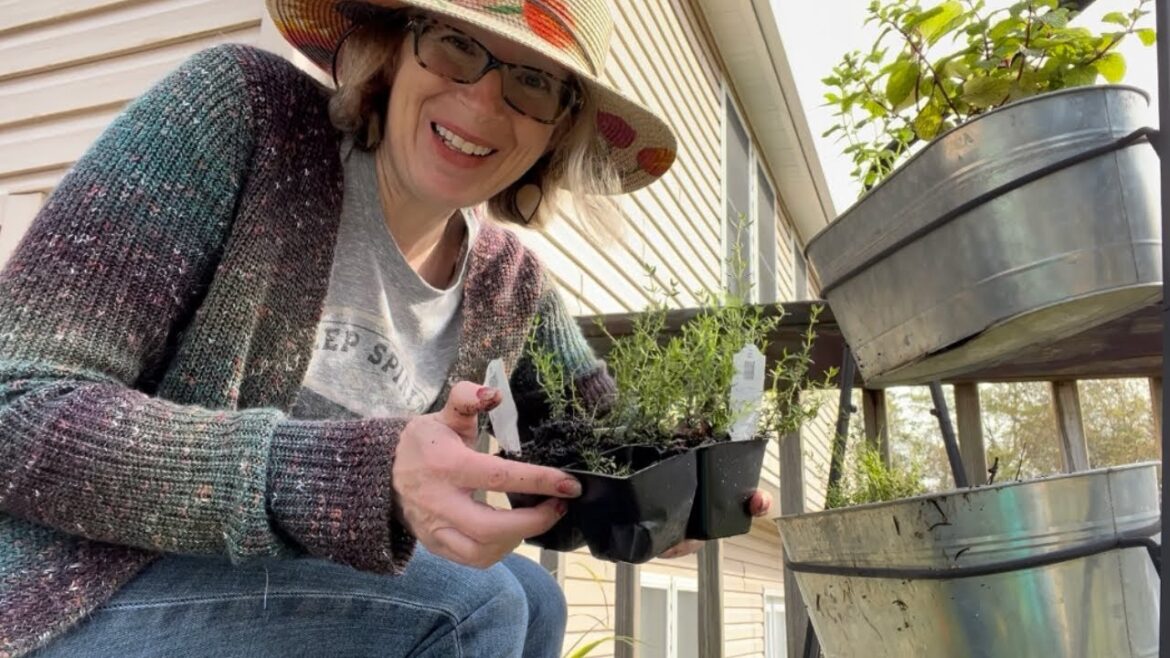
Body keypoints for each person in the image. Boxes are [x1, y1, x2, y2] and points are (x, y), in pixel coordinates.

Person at [0, 0, 772, 656]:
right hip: (73, 588)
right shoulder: (241, 115)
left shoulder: (511, 284)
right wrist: (358, 475)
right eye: (457, 44)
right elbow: (18, 405)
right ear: (391, 47)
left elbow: (600, 437)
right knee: (474, 606)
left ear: (557, 130)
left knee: (536, 600)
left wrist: (673, 497)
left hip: (274, 594)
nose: (481, 102)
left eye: (533, 80)